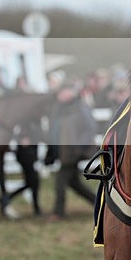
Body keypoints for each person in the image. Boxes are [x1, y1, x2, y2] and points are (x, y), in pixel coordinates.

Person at [43, 82, 97, 219]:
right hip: (64, 151)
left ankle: (58, 212)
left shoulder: (80, 108)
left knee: (60, 180)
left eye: (62, 92)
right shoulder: (59, 109)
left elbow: (90, 129)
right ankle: (99, 203)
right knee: (75, 184)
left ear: (69, 92)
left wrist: (79, 148)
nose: (59, 96)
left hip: (72, 152)